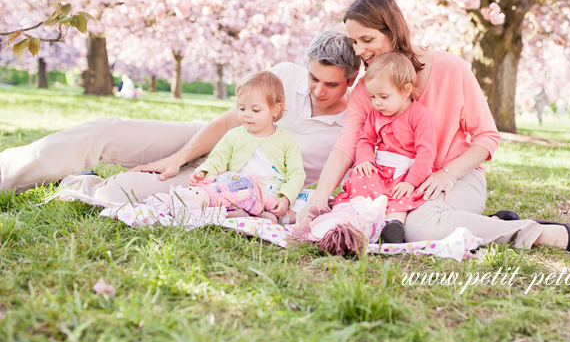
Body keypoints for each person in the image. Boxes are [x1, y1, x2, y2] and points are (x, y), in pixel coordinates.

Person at [297, 0, 570, 253]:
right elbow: (348, 142)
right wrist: (320, 197)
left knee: (417, 228)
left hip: (456, 178)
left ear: (393, 32)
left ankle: (536, 234)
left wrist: (447, 173)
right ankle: (486, 222)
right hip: (402, 185)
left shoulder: (451, 68)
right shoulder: (367, 88)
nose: (359, 51)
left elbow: (487, 137)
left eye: (367, 40)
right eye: (354, 42)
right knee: (372, 221)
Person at [0, 31, 360, 205]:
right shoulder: (284, 74)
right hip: (205, 140)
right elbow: (226, 122)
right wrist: (177, 158)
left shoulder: (352, 125)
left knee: (117, 194)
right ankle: (8, 173)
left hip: (233, 183)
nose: (319, 90)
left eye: (331, 84)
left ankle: (81, 184)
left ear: (352, 80)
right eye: (314, 78)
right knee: (105, 131)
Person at [335, 53, 438, 243]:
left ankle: (393, 225)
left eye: (383, 96)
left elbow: (426, 153)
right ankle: (357, 215)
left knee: (399, 195)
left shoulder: (421, 116)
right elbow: (365, 138)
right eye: (373, 96)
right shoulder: (376, 113)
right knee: (359, 178)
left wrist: (411, 181)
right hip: (381, 168)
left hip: (405, 172)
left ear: (406, 90)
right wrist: (364, 159)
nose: (377, 103)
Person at [188, 70, 305, 224]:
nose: (247, 114)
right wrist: (203, 172)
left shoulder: (287, 141)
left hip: (271, 194)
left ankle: (271, 215)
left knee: (305, 203)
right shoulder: (233, 135)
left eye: (255, 110)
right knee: (212, 192)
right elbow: (217, 159)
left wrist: (285, 198)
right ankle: (240, 213)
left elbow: (296, 175)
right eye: (242, 108)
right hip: (238, 191)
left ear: (275, 110)